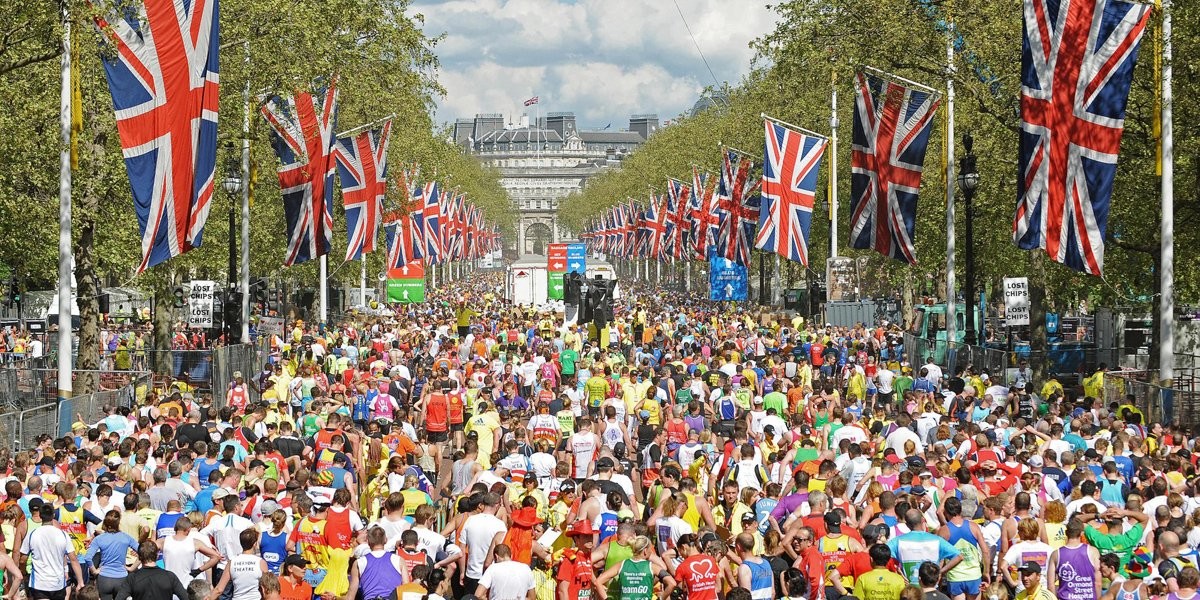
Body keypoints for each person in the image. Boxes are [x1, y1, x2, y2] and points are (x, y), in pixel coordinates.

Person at [20, 502, 85, 600]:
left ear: (40, 515)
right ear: (53, 515)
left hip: (39, 583)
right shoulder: (63, 535)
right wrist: (80, 582)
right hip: (58, 583)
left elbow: (22, 559)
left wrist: (24, 572)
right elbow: (73, 560)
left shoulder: (32, 534)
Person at [81, 511, 140, 600]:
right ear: (119, 522)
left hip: (104, 578)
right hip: (121, 577)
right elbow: (143, 552)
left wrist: (94, 571)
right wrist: (131, 568)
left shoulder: (99, 539)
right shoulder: (126, 537)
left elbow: (88, 558)